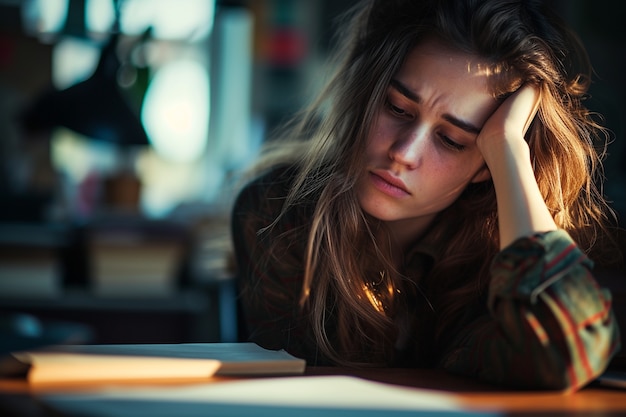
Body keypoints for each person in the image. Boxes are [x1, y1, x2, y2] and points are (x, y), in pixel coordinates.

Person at [230, 0, 622, 391]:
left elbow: (565, 352)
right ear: (368, 93)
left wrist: (507, 147)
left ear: (484, 167)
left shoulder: (492, 264)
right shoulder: (279, 212)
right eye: (398, 109)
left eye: (451, 140)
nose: (404, 153)